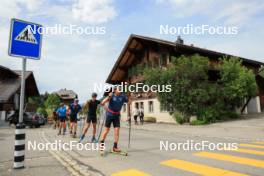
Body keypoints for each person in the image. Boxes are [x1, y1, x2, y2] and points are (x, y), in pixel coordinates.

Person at [100, 86, 129, 152]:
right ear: (115, 90)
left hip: (116, 115)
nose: (120, 90)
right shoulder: (111, 96)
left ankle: (115, 147)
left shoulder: (123, 96)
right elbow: (102, 103)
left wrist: (130, 99)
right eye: (119, 89)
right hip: (109, 115)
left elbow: (128, 102)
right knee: (107, 130)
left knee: (117, 130)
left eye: (121, 89)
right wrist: (106, 106)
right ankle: (102, 143)